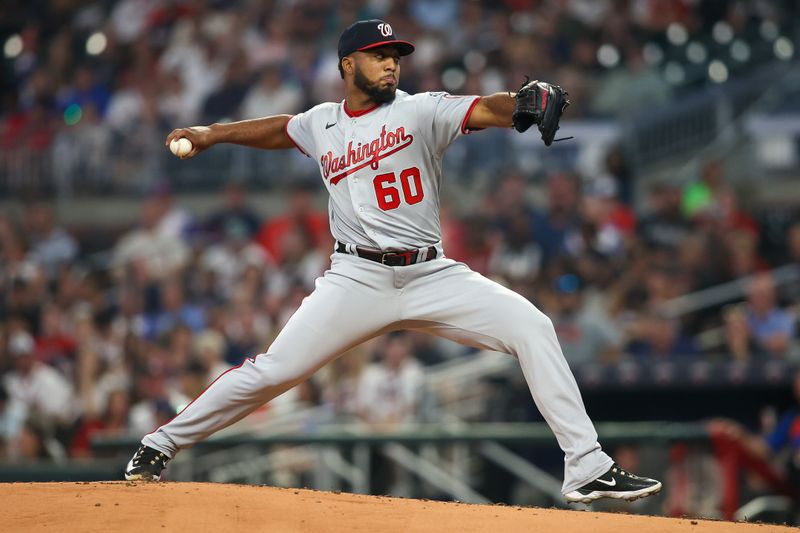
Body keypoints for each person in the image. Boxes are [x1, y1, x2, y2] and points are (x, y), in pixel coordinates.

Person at [125, 19, 661, 504]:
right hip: (356, 278)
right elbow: (280, 128)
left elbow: (484, 108)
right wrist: (211, 134)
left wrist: (521, 102)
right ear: (346, 65)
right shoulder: (322, 123)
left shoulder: (419, 109)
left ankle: (587, 467)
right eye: (379, 54)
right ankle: (160, 444)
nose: (390, 63)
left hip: (431, 273)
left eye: (395, 56)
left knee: (533, 327)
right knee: (274, 371)